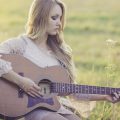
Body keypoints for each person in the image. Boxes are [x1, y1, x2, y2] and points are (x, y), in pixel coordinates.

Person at [0, 0, 120, 120]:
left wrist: (105, 96)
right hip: (25, 110)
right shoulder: (21, 45)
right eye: (54, 18)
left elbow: (72, 91)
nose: (59, 23)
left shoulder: (61, 52)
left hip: (51, 107)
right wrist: (21, 82)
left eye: (60, 18)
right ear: (39, 16)